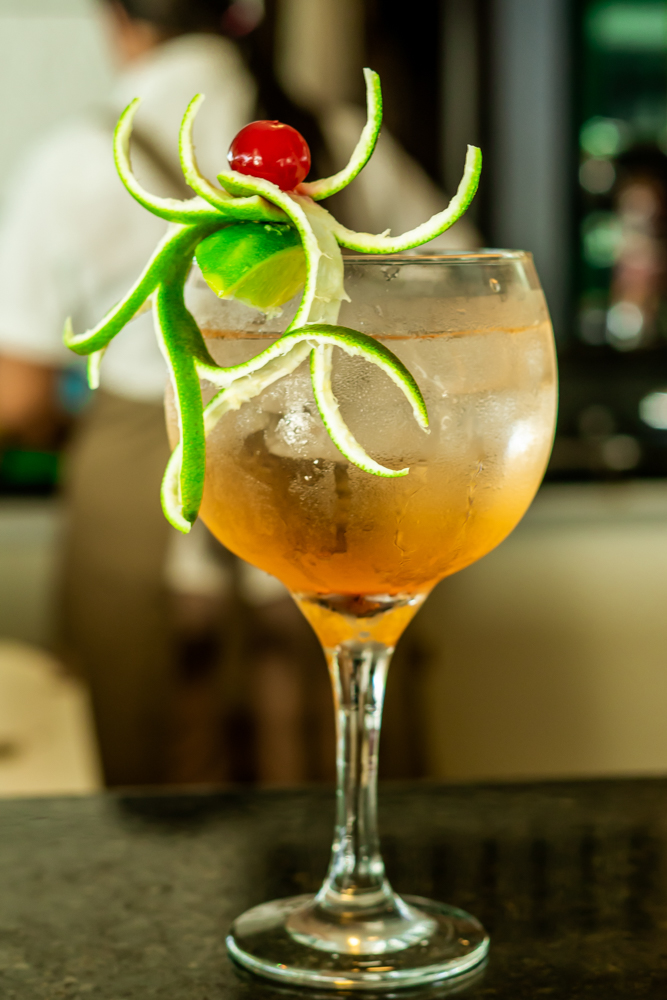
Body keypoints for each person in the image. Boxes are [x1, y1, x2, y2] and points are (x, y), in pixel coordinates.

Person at [0, 0, 478, 787]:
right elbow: (459, 286)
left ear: (117, 20)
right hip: (324, 452)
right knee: (335, 723)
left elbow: (18, 397)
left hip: (145, 471)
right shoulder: (328, 131)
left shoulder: (77, 154)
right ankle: (344, 861)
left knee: (147, 746)